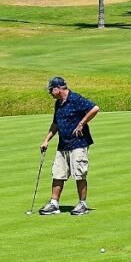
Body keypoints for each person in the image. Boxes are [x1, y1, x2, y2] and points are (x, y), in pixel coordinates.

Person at [38, 76, 100, 216]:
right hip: (63, 144)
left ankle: (82, 204)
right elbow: (56, 123)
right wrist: (46, 140)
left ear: (58, 89)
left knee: (79, 174)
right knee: (58, 173)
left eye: (51, 90)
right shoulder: (58, 103)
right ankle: (54, 204)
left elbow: (95, 108)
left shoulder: (76, 99)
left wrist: (81, 123)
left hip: (78, 143)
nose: (49, 93)